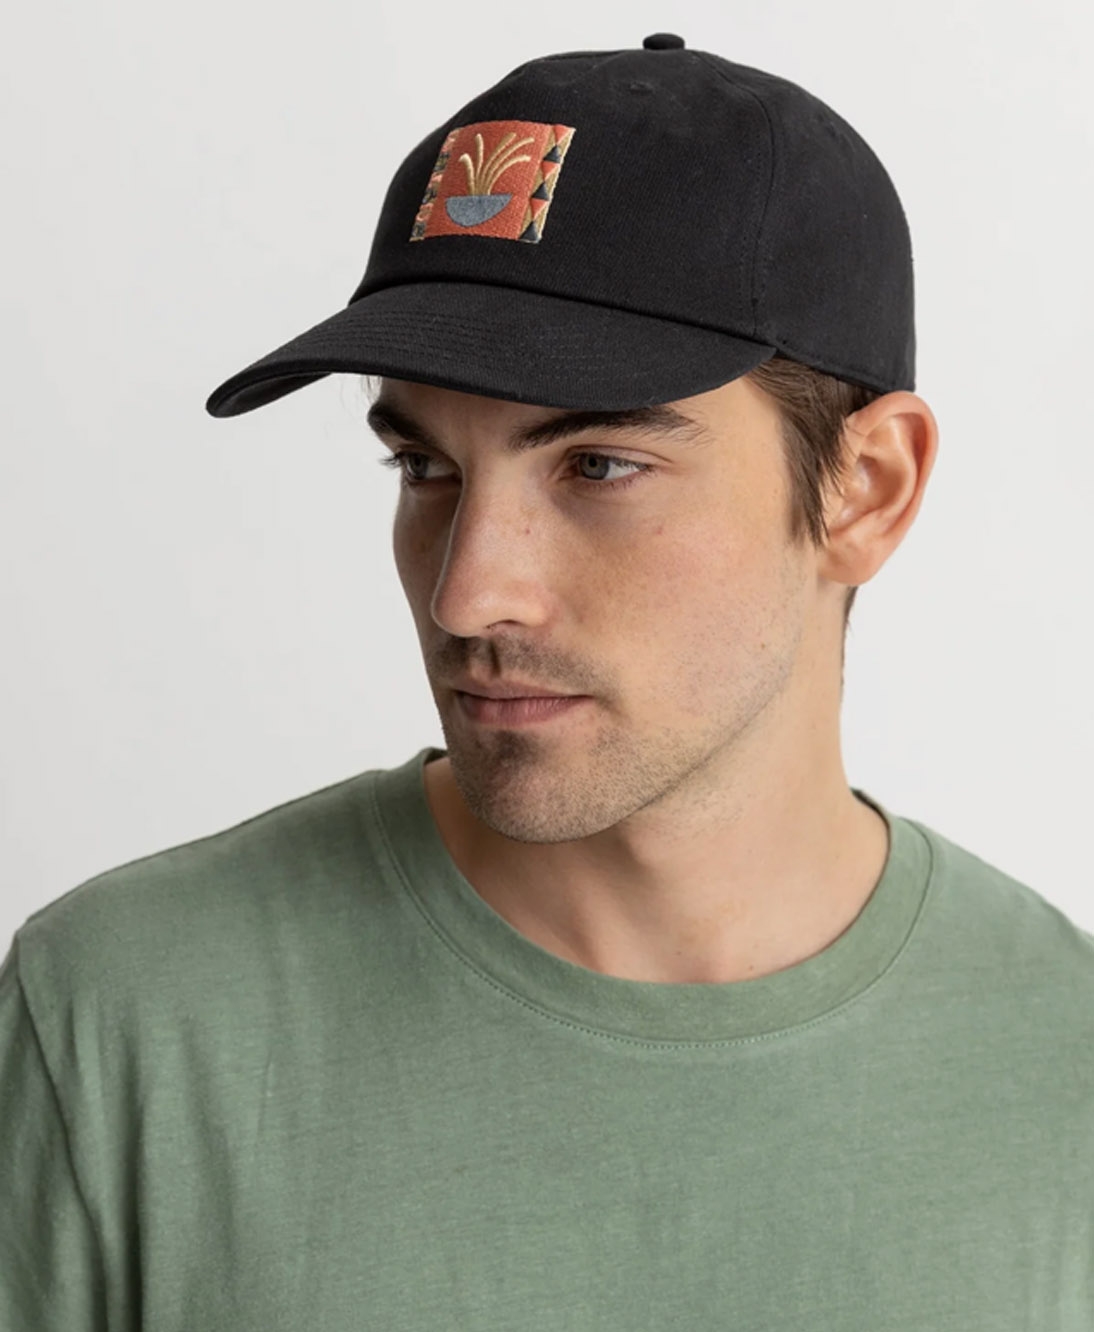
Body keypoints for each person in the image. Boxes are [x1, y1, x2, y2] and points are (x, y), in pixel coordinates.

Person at [2, 32, 1092, 1331]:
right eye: (425, 468)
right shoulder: (126, 1023)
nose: (467, 595)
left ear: (866, 489)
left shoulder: (1062, 1068)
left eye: (597, 467)